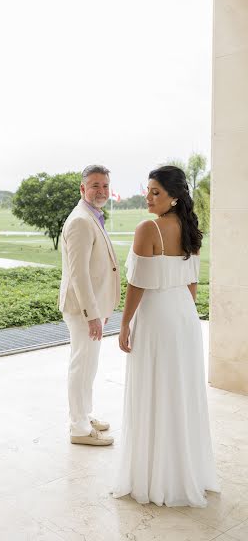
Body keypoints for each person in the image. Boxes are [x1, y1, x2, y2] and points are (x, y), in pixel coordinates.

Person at [113, 165, 219, 506]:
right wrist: (181, 314)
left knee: (154, 389)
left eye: (155, 192)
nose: (148, 197)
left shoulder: (149, 229)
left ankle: (151, 476)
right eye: (148, 190)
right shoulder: (190, 229)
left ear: (174, 196)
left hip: (158, 317)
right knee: (180, 391)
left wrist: (124, 323)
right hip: (184, 317)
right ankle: (184, 472)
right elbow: (191, 284)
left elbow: (137, 284)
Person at [59, 164, 121, 446]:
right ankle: (79, 428)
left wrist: (101, 309)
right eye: (95, 185)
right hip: (82, 309)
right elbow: (79, 275)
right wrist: (92, 315)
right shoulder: (81, 221)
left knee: (89, 365)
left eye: (105, 185)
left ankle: (84, 414)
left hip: (93, 308)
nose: (101, 191)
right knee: (81, 365)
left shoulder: (93, 216)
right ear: (83, 189)